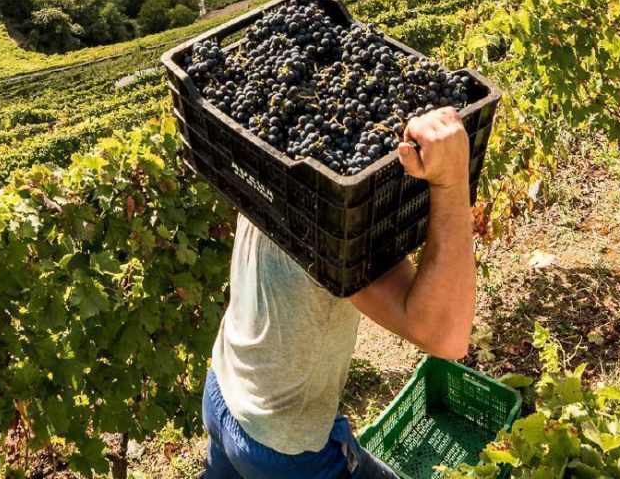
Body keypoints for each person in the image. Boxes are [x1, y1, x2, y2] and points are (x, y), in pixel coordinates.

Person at [202, 107, 476, 479]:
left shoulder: (270, 151)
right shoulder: (331, 220)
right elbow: (446, 336)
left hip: (222, 389)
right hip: (281, 449)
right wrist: (450, 184)